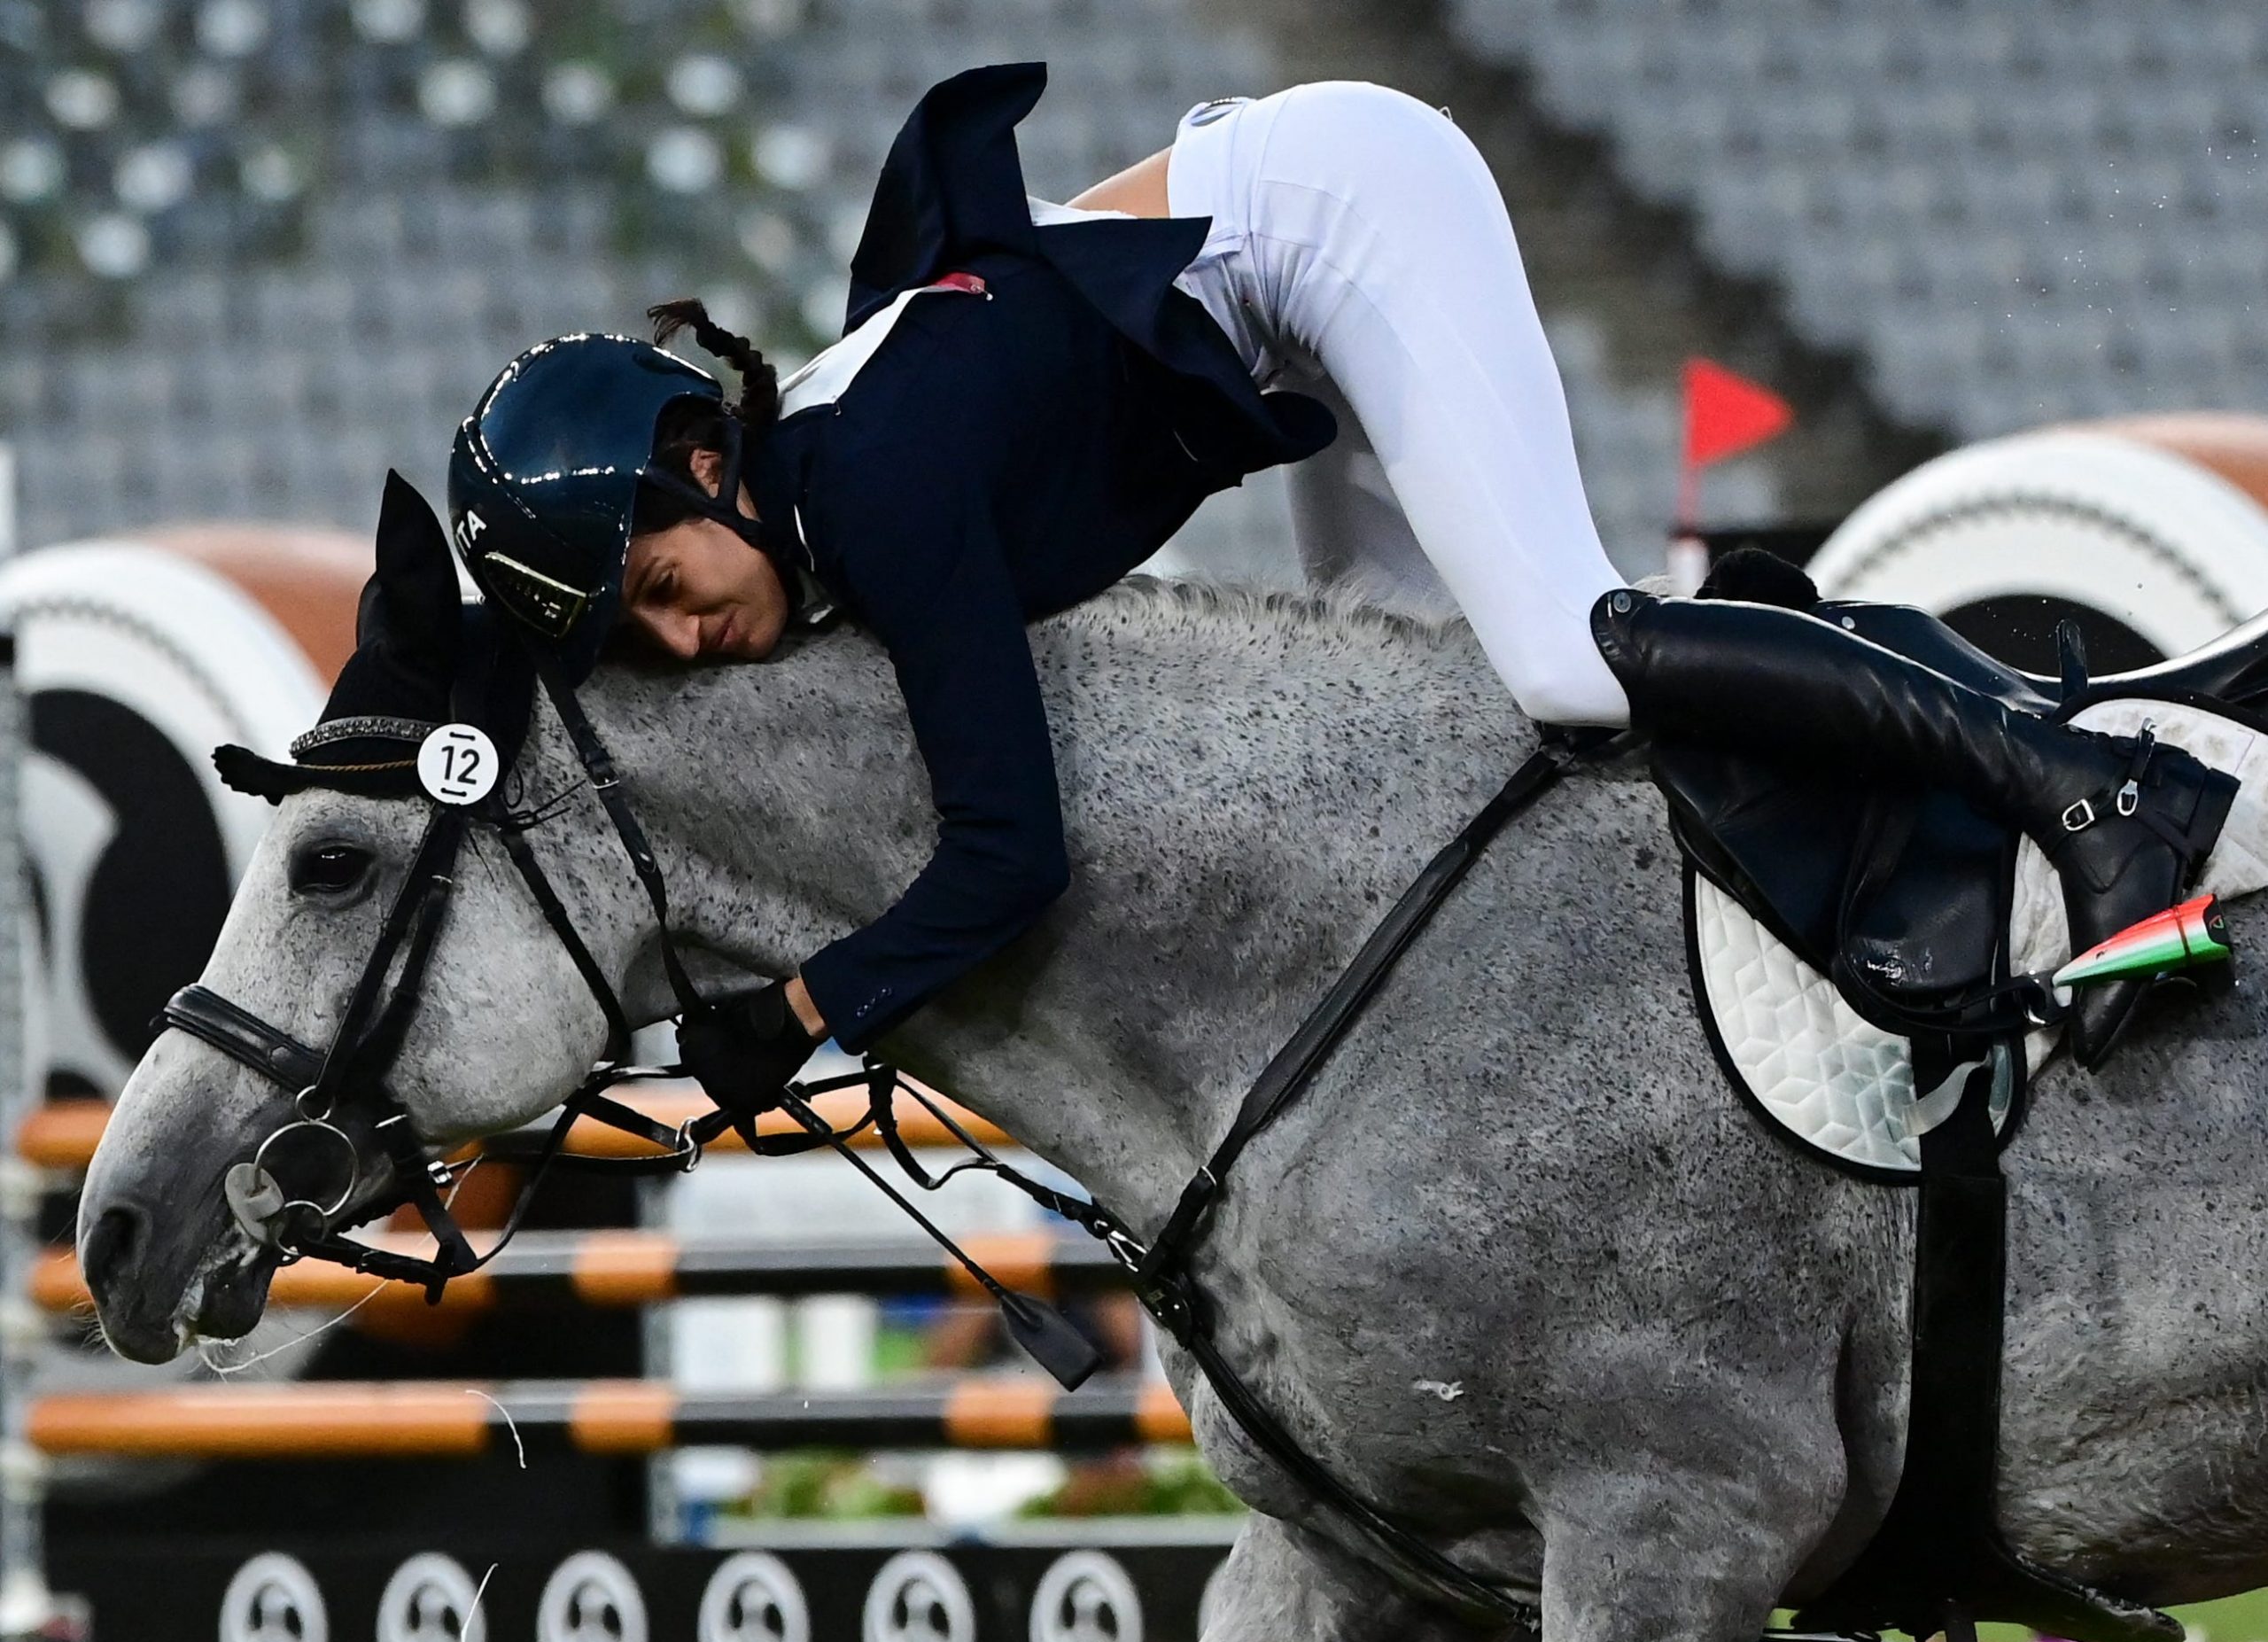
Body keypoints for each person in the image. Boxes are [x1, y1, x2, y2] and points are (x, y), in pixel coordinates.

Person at [448, 64, 2233, 1108]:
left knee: (1557, 665)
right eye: (642, 643)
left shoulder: (879, 492)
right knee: (1418, 775)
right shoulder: (805, 504)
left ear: (703, 462)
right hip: (1278, 304)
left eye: (664, 589)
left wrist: (806, 1011)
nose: (686, 642)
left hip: (1336, 209)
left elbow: (1011, 856)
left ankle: (2091, 785)